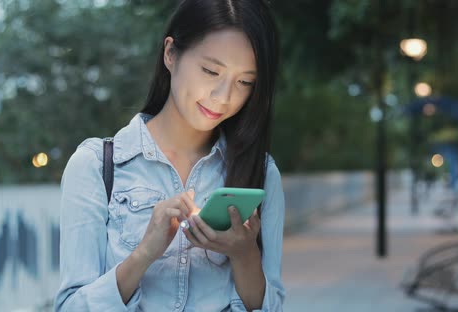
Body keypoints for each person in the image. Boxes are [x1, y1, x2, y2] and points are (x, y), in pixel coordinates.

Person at [54, 0, 285, 311]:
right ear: (171, 53)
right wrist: (144, 253)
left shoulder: (262, 172)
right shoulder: (96, 166)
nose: (224, 96)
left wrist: (245, 255)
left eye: (244, 82)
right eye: (211, 70)